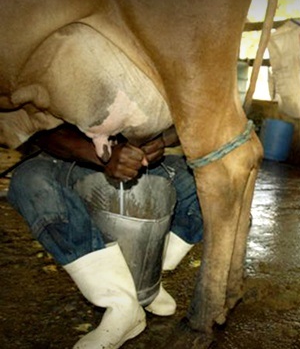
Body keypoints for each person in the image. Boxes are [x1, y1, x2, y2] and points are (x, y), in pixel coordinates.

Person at [8, 123, 203, 348]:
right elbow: (38, 131)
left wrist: (161, 141)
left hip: (137, 160)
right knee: (30, 180)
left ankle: (146, 283)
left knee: (209, 183)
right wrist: (101, 156)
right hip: (71, 160)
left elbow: (190, 117)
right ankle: (122, 304)